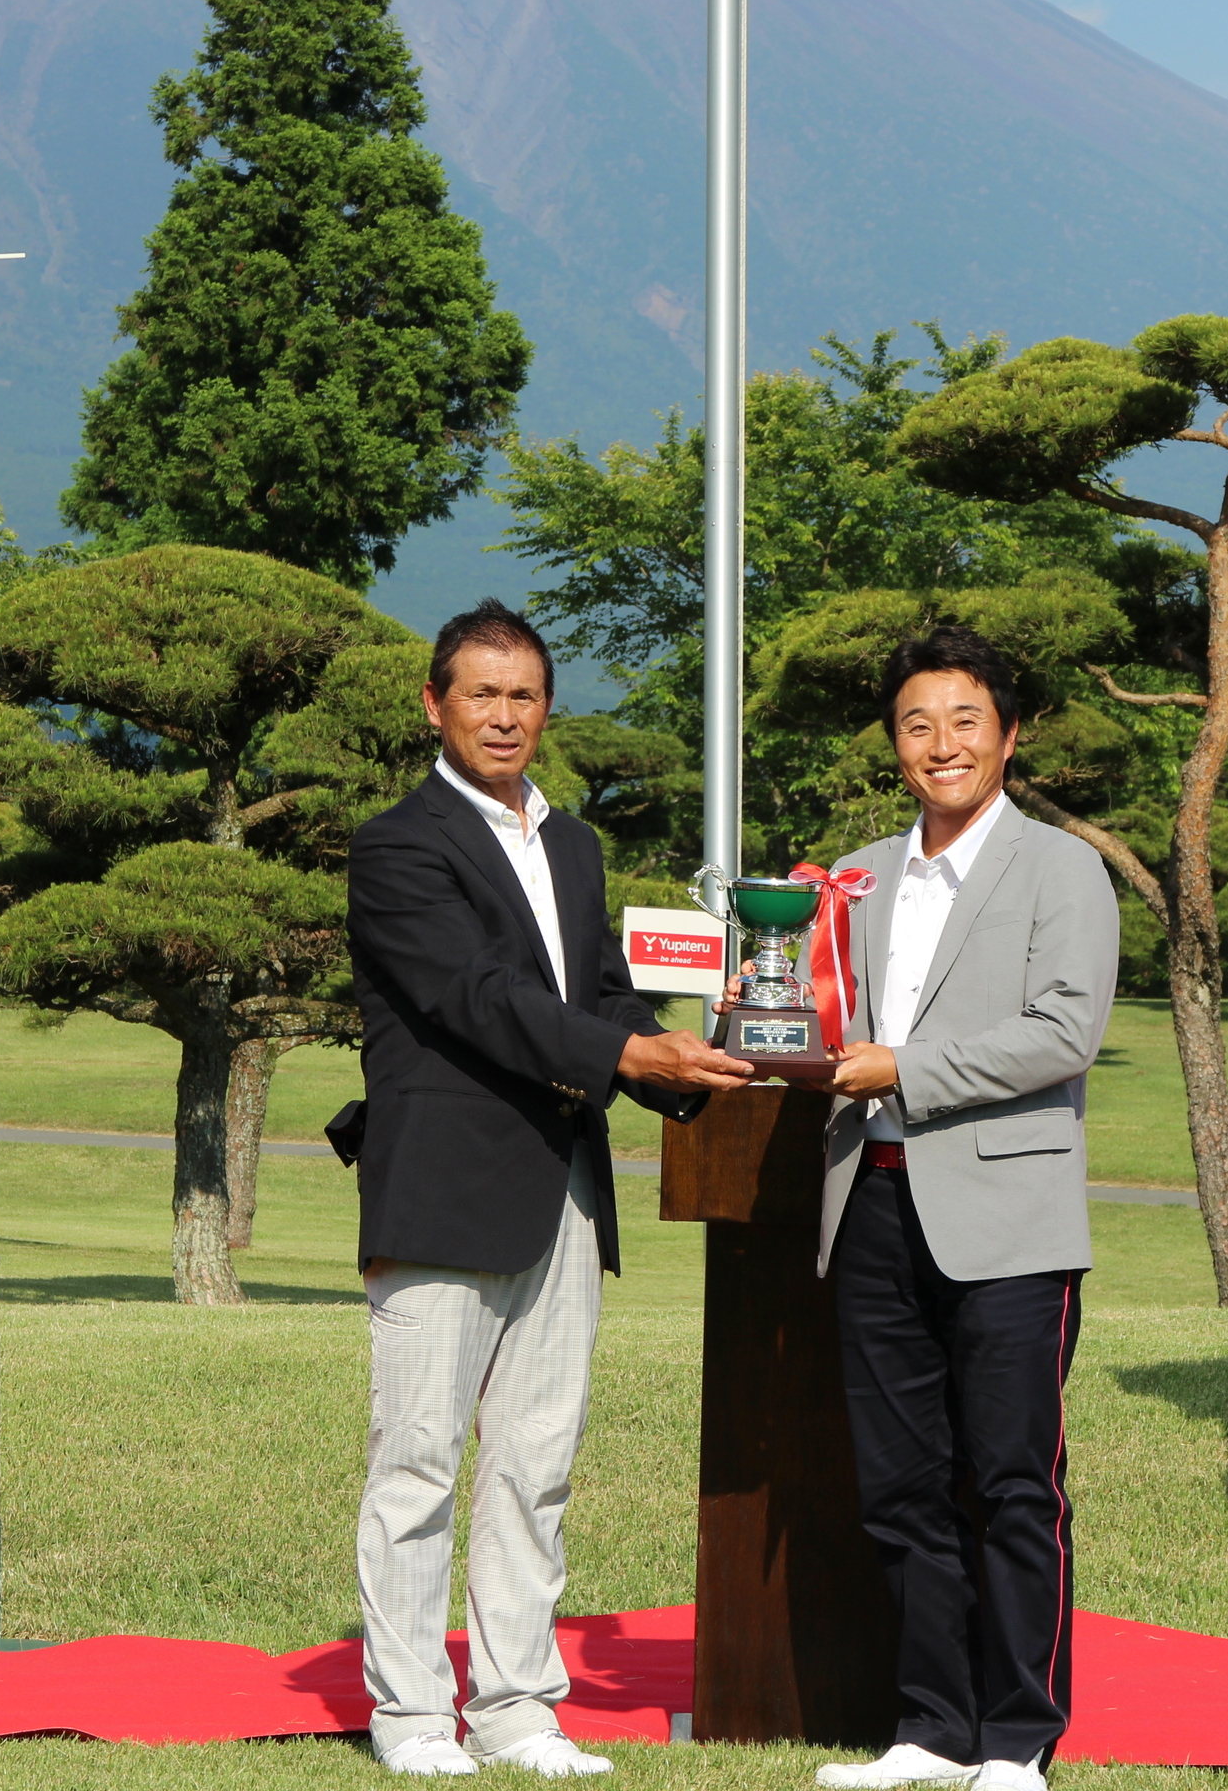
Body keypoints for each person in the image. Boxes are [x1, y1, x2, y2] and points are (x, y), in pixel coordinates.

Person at [348, 599, 753, 1779]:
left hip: (566, 1188)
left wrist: (702, 1060)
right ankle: (414, 1713)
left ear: (548, 709)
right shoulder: (397, 844)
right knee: (418, 1460)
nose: (505, 715)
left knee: (539, 1461)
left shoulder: (572, 845)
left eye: (525, 695)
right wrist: (630, 1054)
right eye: (482, 693)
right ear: (436, 705)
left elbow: (601, 998)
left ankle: (520, 1707)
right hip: (441, 1189)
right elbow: (475, 997)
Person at [803, 627, 1118, 1791]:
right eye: (917, 725)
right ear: (896, 746)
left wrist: (905, 1071)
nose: (942, 744)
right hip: (871, 1206)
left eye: (965, 721)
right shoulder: (855, 876)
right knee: (900, 1485)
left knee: (1010, 1485)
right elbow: (816, 1022)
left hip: (1008, 1223)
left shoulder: (1060, 868)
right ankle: (931, 1727)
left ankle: (1019, 1737)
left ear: (1009, 735)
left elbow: (1062, 1031)